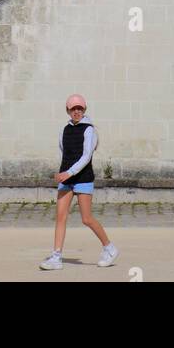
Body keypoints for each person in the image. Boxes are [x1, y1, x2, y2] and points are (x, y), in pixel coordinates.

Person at [39, 94, 118, 271]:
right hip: (66, 179)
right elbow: (63, 151)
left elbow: (86, 156)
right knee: (60, 217)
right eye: (73, 109)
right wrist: (63, 172)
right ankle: (56, 256)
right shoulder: (64, 130)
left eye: (80, 108)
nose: (77, 111)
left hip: (82, 178)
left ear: (84, 110)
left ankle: (109, 248)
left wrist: (69, 172)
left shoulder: (89, 130)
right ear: (68, 110)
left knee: (87, 219)